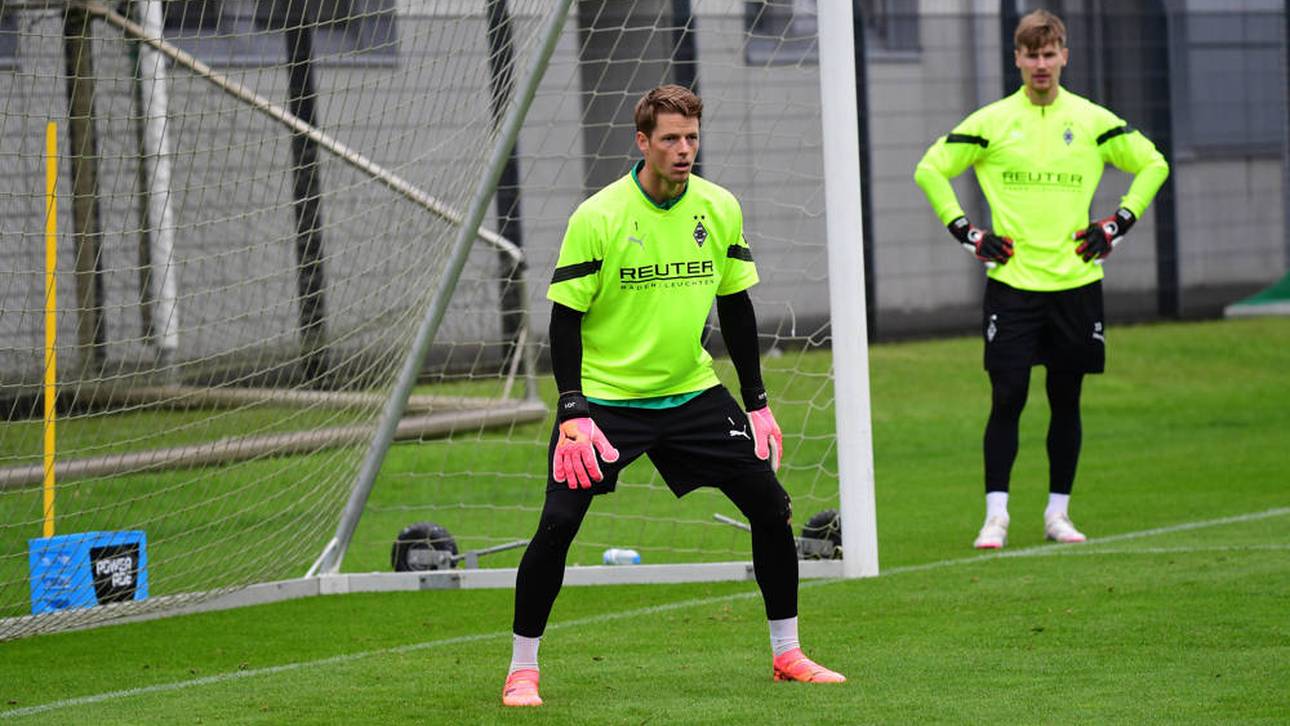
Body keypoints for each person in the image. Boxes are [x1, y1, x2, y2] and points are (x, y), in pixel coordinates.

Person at [502, 84, 845, 707]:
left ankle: (787, 654)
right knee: (557, 524)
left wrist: (758, 400)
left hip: (692, 393)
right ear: (643, 142)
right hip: (605, 401)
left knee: (771, 508)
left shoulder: (718, 209)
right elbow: (563, 321)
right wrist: (573, 410)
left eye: (691, 137)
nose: (684, 149)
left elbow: (736, 306)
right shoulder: (598, 217)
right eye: (670, 139)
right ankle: (522, 669)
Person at [913, 10, 1169, 550]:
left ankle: (1058, 514)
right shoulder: (991, 122)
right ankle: (996, 517)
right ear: (1017, 59)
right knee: (1007, 396)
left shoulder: (1093, 120)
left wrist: (1118, 223)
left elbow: (1153, 164)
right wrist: (967, 234)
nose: (1041, 65)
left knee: (1066, 397)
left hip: (1076, 284)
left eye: (1049, 54)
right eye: (1031, 55)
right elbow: (930, 169)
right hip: (1013, 285)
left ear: (1064, 56)